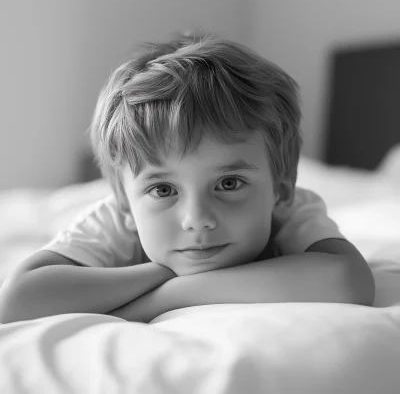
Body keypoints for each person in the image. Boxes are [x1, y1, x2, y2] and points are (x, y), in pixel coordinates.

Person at [0, 32, 375, 324]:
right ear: (125, 204)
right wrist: (158, 270)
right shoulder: (116, 218)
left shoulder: (292, 207)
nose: (196, 219)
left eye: (228, 183)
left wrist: (167, 294)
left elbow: (347, 280)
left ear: (281, 188)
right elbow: (19, 300)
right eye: (163, 189)